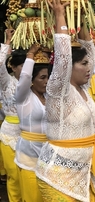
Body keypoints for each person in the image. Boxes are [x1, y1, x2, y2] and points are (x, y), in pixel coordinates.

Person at [35, 0, 95, 201]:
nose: (88, 67)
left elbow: (90, 52)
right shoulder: (59, 90)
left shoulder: (83, 88)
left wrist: (81, 18)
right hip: (56, 177)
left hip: (83, 174)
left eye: (88, 64)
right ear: (68, 68)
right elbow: (64, 57)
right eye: (83, 64)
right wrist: (60, 15)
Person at [15, 43, 50, 202]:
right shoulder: (24, 97)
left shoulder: (49, 97)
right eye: (42, 77)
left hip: (48, 157)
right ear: (32, 80)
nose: (47, 81)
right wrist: (30, 56)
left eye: (48, 77)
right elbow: (24, 78)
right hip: (28, 157)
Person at [0, 29, 25, 202]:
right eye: (22, 65)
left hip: (30, 136)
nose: (26, 69)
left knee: (27, 176)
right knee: (14, 176)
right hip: (9, 133)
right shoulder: (7, 82)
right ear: (13, 67)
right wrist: (7, 41)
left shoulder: (36, 84)